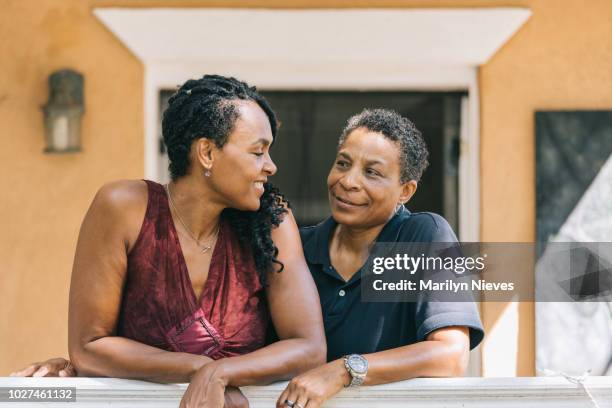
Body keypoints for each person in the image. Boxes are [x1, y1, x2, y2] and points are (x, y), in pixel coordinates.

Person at [11, 75, 327, 408]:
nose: (271, 166)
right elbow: (89, 346)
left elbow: (308, 347)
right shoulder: (124, 208)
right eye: (258, 151)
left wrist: (222, 374)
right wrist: (200, 368)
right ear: (206, 152)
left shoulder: (272, 222)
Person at [276, 109, 484, 408]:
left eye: (371, 172)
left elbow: (450, 355)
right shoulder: (298, 247)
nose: (348, 181)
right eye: (343, 163)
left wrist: (344, 369)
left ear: (406, 191)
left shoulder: (425, 235)